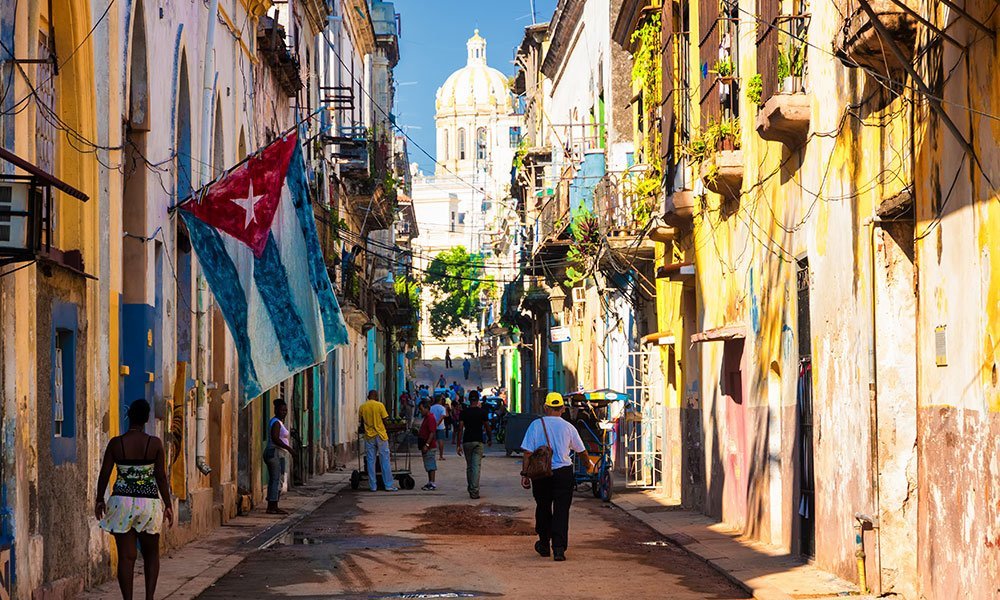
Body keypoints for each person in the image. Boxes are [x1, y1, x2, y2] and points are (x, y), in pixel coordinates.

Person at [95, 399, 173, 600]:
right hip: (148, 503)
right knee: (151, 554)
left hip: (121, 503)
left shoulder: (116, 443)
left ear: (129, 416)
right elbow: (160, 477)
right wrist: (168, 504)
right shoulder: (154, 444)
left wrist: (99, 499)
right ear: (147, 418)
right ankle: (149, 598)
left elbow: (104, 474)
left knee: (126, 557)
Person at [520, 392, 592, 562]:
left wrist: (525, 474)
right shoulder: (568, 427)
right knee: (561, 511)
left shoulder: (536, 425)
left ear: (545, 407)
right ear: (562, 408)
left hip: (541, 474)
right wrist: (589, 465)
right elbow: (581, 451)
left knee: (543, 507)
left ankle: (544, 544)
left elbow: (528, 453)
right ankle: (559, 549)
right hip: (563, 473)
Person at [359, 389, 398, 492]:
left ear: (368, 397)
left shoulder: (362, 407)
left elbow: (361, 422)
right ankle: (388, 485)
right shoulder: (380, 405)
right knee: (384, 460)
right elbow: (385, 420)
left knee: (371, 461)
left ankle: (373, 486)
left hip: (369, 436)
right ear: (376, 396)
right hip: (381, 435)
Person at [456, 390, 492, 499]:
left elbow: (460, 429)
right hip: (478, 442)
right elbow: (487, 427)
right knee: (476, 466)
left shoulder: (464, 413)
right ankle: (474, 491)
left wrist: (458, 444)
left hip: (467, 441)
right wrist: (490, 438)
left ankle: (471, 488)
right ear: (477, 400)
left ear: (468, 400)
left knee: (469, 466)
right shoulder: (482, 412)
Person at [263, 398, 295, 514]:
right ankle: (272, 506)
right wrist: (289, 449)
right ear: (276, 410)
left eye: (286, 410)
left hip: (277, 453)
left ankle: (273, 504)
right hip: (274, 452)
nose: (284, 412)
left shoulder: (278, 422)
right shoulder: (276, 422)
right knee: (276, 479)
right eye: (282, 410)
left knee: (275, 479)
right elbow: (276, 438)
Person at [416, 400, 438, 490]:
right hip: (425, 444)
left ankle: (432, 482)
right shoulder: (426, 418)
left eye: (421, 409)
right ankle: (430, 482)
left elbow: (432, 433)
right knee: (428, 464)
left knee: (431, 464)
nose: (420, 411)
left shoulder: (430, 418)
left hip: (430, 446)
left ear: (427, 408)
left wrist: (427, 444)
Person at [430, 395, 448, 461]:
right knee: (440, 441)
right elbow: (443, 416)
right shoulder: (442, 408)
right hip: (440, 427)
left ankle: (432, 455)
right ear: (440, 400)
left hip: (432, 426)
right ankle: (441, 455)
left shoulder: (431, 408)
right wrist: (438, 424)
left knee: (432, 441)